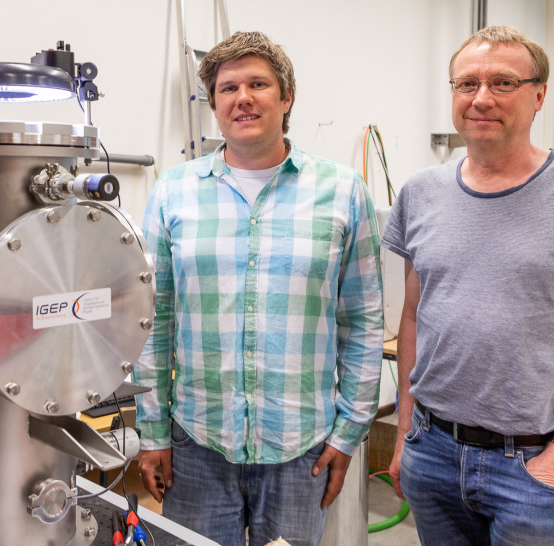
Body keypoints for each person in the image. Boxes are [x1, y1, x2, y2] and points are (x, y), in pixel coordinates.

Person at [381, 25, 554, 545]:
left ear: (539, 94)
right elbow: (414, 315)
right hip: (432, 452)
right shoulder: (420, 191)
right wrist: (406, 433)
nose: (481, 98)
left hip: (533, 464)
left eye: (503, 83)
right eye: (466, 84)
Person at [134, 31, 383, 546]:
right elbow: (153, 321)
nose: (242, 98)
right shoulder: (172, 193)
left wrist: (349, 432)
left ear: (286, 97)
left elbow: (361, 320)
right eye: (227, 88)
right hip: (198, 445)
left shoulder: (342, 193)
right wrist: (152, 431)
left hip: (302, 449)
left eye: (258, 84)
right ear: (213, 103)